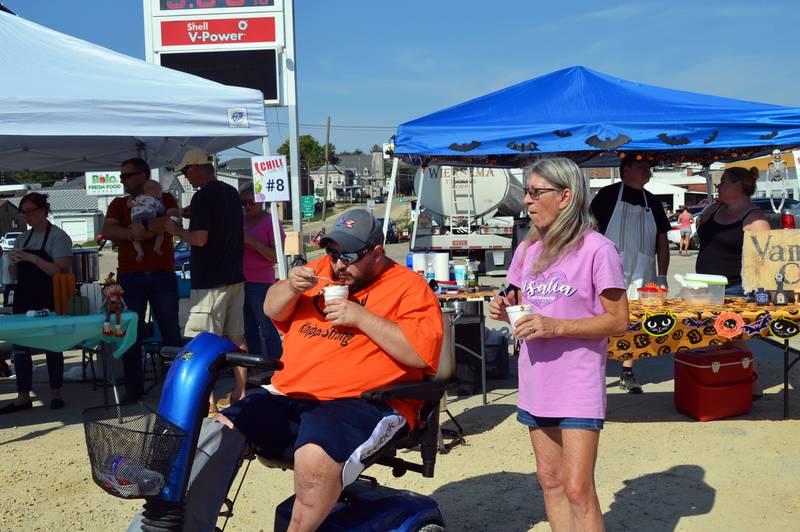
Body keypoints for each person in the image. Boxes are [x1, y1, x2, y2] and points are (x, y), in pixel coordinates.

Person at [131, 208, 442, 531]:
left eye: (347, 256)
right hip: (290, 394)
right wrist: (291, 286)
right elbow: (271, 307)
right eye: (332, 251)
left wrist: (360, 317)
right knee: (217, 431)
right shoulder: (320, 271)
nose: (337, 264)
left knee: (315, 460)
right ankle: (180, 526)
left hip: (363, 401)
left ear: (377, 253)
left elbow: (420, 353)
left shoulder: (408, 288)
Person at [489, 158, 628, 532]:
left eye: (537, 192)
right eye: (526, 192)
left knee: (578, 489)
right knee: (550, 482)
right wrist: (503, 308)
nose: (528, 202)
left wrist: (556, 326)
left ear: (566, 196)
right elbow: (517, 300)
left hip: (577, 383)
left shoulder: (598, 250)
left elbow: (618, 320)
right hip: (536, 382)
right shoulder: (526, 249)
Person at [164, 149, 246, 414]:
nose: (186, 177)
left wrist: (176, 230)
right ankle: (240, 393)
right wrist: (185, 212)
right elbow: (214, 218)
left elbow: (200, 238)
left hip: (210, 281)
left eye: (186, 171)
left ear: (196, 168)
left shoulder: (202, 196)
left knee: (205, 341)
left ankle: (207, 402)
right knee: (237, 337)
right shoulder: (229, 192)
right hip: (234, 276)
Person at [102, 157, 183, 402]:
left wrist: (144, 226)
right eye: (122, 176)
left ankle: (175, 387)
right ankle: (133, 387)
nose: (122, 180)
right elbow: (107, 231)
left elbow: (172, 221)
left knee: (170, 331)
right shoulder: (118, 203)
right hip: (130, 276)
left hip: (162, 274)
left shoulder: (165, 197)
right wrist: (130, 232)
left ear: (143, 175)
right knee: (130, 332)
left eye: (126, 176)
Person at [590, 157, 671, 394]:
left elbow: (662, 241)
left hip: (644, 271)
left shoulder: (653, 202)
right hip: (610, 269)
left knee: (633, 322)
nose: (649, 171)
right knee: (602, 318)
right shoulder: (607, 195)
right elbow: (590, 232)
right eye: (643, 167)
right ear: (626, 170)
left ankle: (627, 371)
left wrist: (663, 275)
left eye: (649, 167)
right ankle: (595, 370)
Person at [695, 166, 769, 397]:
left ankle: (752, 381)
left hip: (735, 287)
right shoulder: (716, 208)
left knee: (733, 335)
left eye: (723, 182)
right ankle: (726, 382)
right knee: (714, 337)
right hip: (705, 286)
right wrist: (709, 210)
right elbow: (700, 230)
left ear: (738, 186)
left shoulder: (754, 218)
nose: (718, 186)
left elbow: (764, 258)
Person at [0, 193, 73, 414]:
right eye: (23, 212)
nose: (26, 216)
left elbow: (57, 270)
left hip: (50, 296)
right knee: (20, 347)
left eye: (29, 211)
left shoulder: (59, 237)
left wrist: (32, 258)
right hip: (24, 296)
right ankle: (23, 396)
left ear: (43, 210)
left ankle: (55, 393)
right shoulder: (23, 238)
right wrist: (12, 262)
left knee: (53, 345)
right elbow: (14, 275)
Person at [240, 183, 285, 361]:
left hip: (261, 283)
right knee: (247, 329)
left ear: (261, 201)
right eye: (243, 203)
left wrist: (251, 241)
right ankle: (255, 366)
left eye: (251, 202)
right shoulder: (239, 221)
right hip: (239, 281)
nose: (247, 206)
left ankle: (275, 366)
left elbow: (276, 256)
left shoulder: (270, 222)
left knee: (267, 328)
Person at [127, 179, 179, 262]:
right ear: (154, 191)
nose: (161, 193)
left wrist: (131, 199)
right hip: (150, 217)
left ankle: (139, 252)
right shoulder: (156, 201)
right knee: (160, 232)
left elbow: (129, 205)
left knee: (134, 236)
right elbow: (162, 211)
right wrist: (161, 204)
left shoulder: (139, 197)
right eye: (160, 191)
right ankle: (157, 247)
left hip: (136, 218)